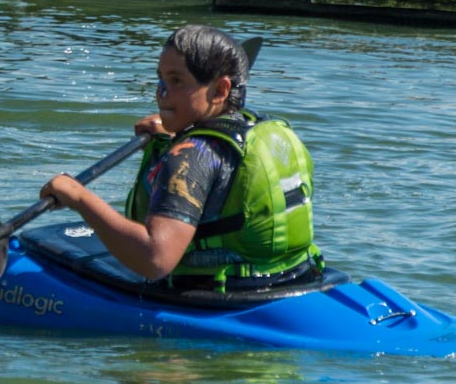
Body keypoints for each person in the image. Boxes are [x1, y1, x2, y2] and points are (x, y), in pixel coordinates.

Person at [37, 24, 320, 288]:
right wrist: (176, 131)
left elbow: (155, 261)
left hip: (218, 298)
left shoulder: (190, 157)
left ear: (220, 90)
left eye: (176, 81)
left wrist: (79, 198)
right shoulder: (264, 130)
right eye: (160, 80)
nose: (161, 94)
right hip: (289, 277)